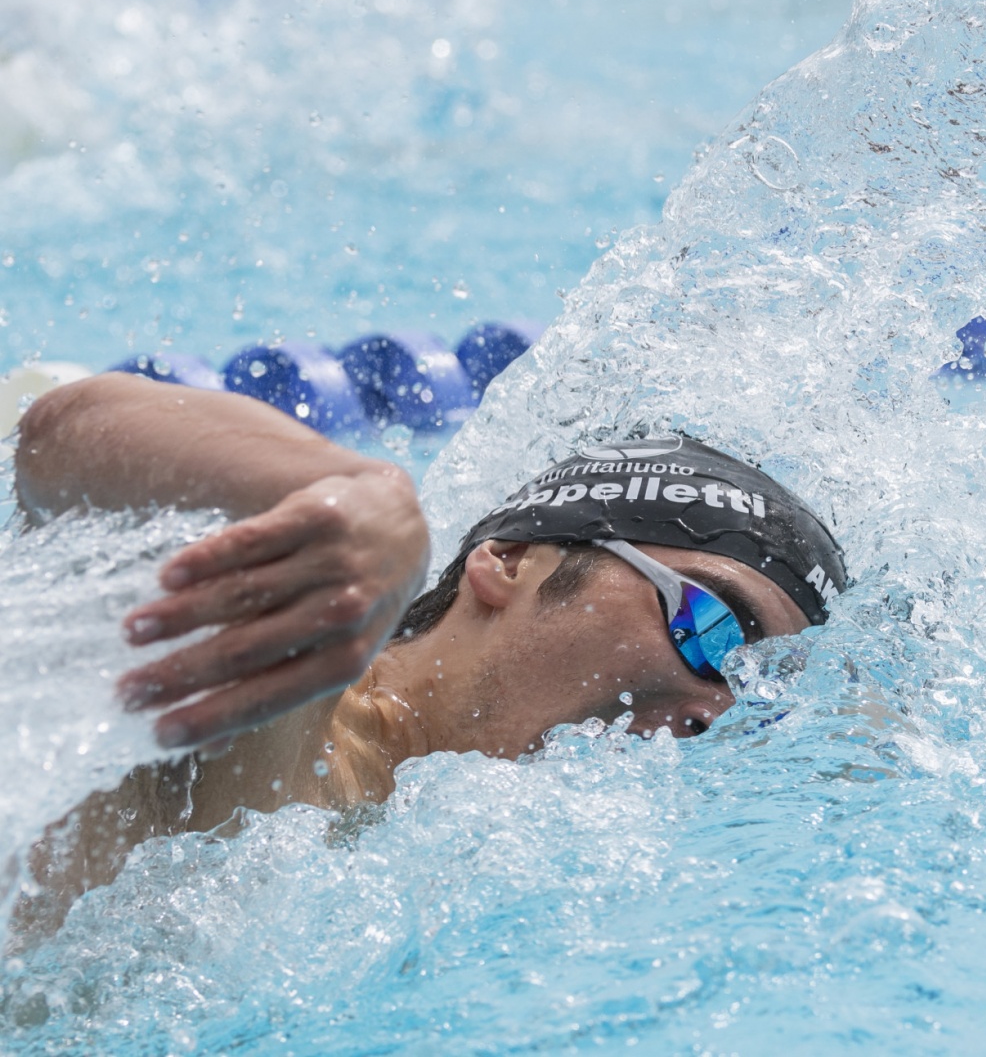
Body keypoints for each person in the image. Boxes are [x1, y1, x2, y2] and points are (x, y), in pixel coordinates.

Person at [12, 372, 846, 932]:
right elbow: (60, 427)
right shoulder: (294, 687)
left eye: (757, 695)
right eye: (712, 632)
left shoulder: (467, 878)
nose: (714, 712)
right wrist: (354, 495)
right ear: (510, 563)